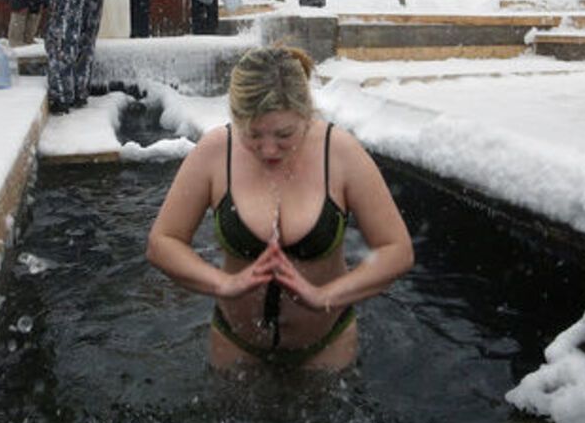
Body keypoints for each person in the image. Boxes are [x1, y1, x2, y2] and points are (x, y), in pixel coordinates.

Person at [147, 46, 414, 370]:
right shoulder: (215, 152)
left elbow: (397, 250)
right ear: (236, 117)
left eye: (284, 134)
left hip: (326, 344)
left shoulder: (340, 153)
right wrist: (222, 283)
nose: (269, 149)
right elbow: (163, 241)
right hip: (236, 342)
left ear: (306, 114)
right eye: (253, 134)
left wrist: (326, 295)